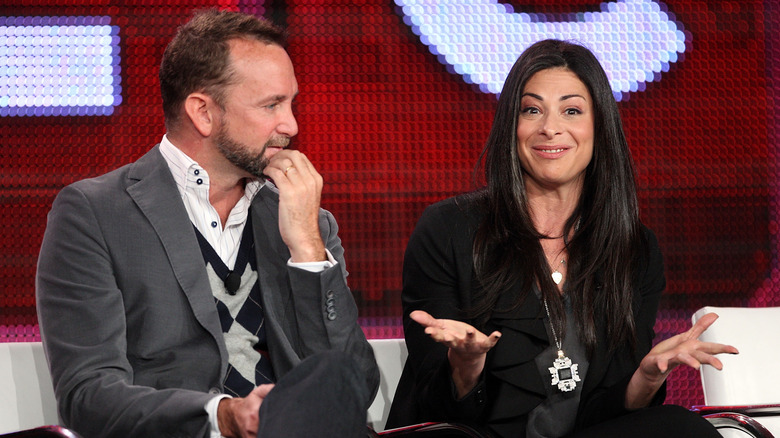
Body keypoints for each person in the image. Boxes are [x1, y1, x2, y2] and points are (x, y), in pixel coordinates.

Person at [35, 9, 378, 438]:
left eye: (292, 103)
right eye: (271, 104)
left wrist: (308, 251)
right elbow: (88, 396)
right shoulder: (95, 213)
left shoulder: (308, 221)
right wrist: (223, 416)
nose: (290, 125)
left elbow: (355, 386)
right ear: (203, 112)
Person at [385, 39, 737, 437]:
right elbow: (434, 407)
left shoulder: (632, 249)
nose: (550, 127)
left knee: (681, 427)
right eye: (532, 110)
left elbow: (607, 414)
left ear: (598, 126)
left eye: (571, 110)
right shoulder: (448, 228)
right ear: (511, 127)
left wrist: (647, 376)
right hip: (470, 434)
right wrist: (465, 364)